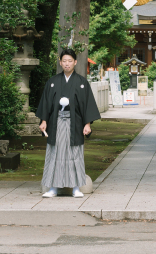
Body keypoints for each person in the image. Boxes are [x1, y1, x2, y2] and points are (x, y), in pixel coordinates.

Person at [37, 48, 101, 198]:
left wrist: (87, 124)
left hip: (75, 123)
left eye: (70, 61)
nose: (67, 63)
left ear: (75, 62)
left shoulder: (81, 82)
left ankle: (76, 188)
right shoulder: (52, 82)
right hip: (56, 122)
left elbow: (87, 104)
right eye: (64, 61)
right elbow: (46, 102)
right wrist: (44, 120)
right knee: (55, 153)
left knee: (75, 154)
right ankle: (53, 188)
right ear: (60, 62)